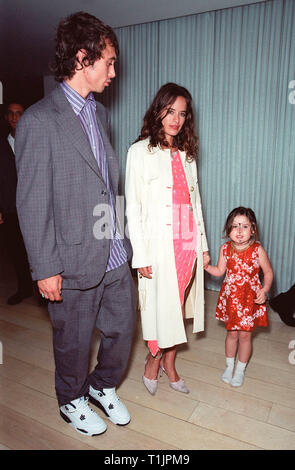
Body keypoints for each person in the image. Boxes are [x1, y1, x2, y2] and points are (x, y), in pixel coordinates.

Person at [15, 11, 136, 436]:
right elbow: (30, 202)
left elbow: (105, 182)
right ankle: (71, 400)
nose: (114, 72)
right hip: (70, 258)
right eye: (110, 61)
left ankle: (102, 387)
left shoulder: (100, 114)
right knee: (74, 342)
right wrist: (44, 266)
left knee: (122, 330)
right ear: (83, 58)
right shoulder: (37, 121)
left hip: (113, 247)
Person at [125, 83, 210, 395]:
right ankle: (155, 360)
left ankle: (167, 362)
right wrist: (141, 255)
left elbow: (195, 201)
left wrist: (202, 245)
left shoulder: (186, 153)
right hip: (158, 244)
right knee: (162, 307)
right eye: (170, 111)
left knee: (177, 304)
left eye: (182, 114)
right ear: (158, 109)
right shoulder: (139, 151)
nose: (176, 119)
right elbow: (132, 207)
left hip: (187, 241)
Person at [205, 207, 273, 387]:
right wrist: (206, 266)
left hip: (249, 300)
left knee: (245, 336)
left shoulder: (258, 250)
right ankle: (229, 366)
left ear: (253, 229)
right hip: (231, 299)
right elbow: (219, 271)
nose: (240, 231)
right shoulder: (225, 249)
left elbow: (268, 272)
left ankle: (240, 370)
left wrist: (264, 290)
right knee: (232, 334)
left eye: (245, 226)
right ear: (228, 230)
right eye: (235, 226)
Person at [0, 102, 33, 305]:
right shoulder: (1, 146)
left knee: (36, 250)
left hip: (33, 207)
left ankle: (44, 292)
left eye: (18, 113)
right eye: (10, 114)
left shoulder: (34, 141)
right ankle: (24, 288)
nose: (14, 117)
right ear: (6, 118)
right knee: (16, 250)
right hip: (10, 207)